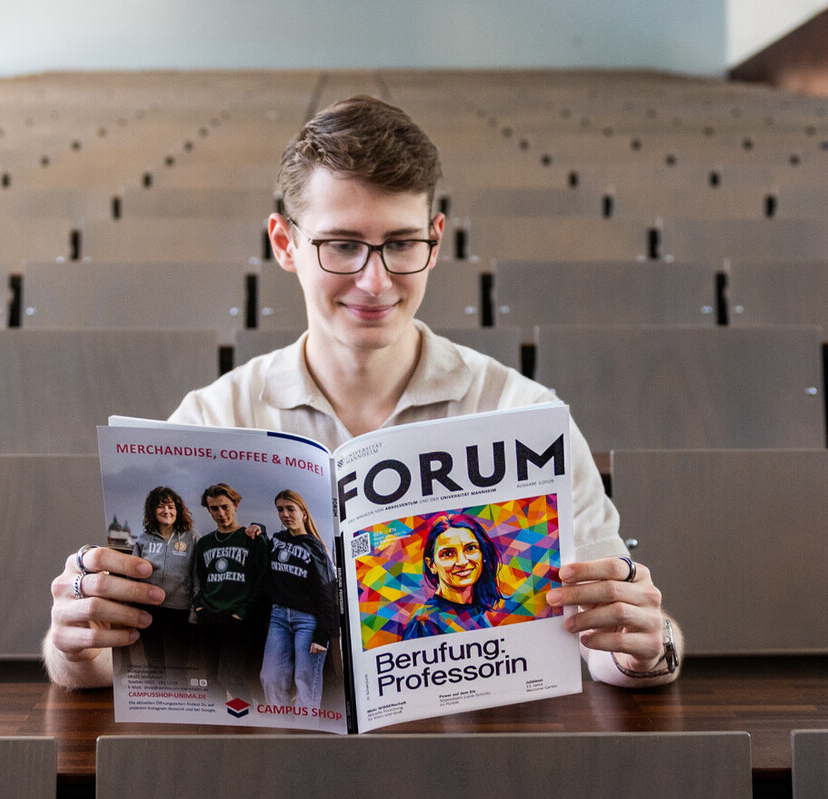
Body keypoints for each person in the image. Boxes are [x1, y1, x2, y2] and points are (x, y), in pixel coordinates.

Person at [45, 94, 682, 692]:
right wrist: (73, 644)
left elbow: (611, 646)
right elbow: (109, 656)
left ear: (435, 240)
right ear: (285, 243)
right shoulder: (211, 417)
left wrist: (646, 648)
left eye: (400, 244)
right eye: (342, 246)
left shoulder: (526, 415)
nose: (374, 282)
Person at [259, 490, 339, 711]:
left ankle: (306, 728)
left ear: (303, 513)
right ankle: (282, 726)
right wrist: (258, 527)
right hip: (278, 618)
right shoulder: (277, 540)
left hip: (308, 621)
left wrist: (322, 635)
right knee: (270, 678)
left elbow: (326, 593)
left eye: (290, 509)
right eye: (280, 510)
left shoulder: (315, 548)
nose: (285, 514)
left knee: (306, 682)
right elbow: (263, 546)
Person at [193, 482, 269, 702]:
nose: (221, 513)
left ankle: (247, 714)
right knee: (211, 677)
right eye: (214, 508)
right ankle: (218, 718)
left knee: (230, 676)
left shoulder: (253, 539)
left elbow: (263, 580)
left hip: (238, 618)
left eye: (225, 506)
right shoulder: (205, 543)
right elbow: (201, 578)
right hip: (209, 616)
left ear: (236, 505)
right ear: (208, 510)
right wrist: (199, 605)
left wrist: (243, 612)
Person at [401, 513, 510, 642]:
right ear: (431, 565)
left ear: (482, 554)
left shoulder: (477, 611)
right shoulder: (425, 622)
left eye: (470, 548)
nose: (462, 562)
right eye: (448, 554)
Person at [125, 486, 198, 668]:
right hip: (149, 609)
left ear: (178, 510)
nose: (166, 511)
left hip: (180, 611)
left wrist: (194, 610)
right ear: (152, 510)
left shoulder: (192, 538)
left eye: (171, 507)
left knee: (177, 665)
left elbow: (198, 576)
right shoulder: (143, 539)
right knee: (153, 662)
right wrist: (132, 607)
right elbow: (133, 575)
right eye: (161, 506)